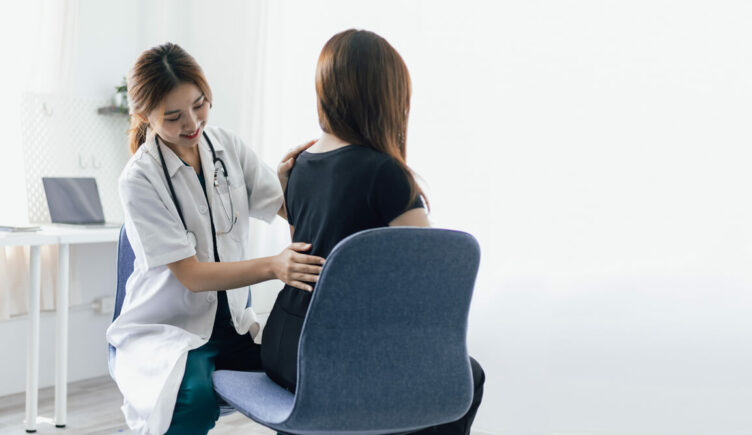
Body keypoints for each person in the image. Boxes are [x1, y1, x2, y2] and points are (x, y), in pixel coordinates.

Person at [260, 29, 486, 434]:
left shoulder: (297, 166)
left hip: (282, 345)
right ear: (386, 97)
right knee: (465, 375)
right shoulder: (385, 173)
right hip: (328, 356)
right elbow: (434, 273)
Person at [106, 42, 324, 435]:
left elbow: (284, 207)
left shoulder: (228, 147)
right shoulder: (140, 179)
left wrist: (299, 184)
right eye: (173, 116)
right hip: (173, 329)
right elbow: (192, 275)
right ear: (144, 116)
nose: (191, 122)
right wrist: (275, 266)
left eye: (200, 104)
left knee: (307, 379)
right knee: (193, 398)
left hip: (235, 326)